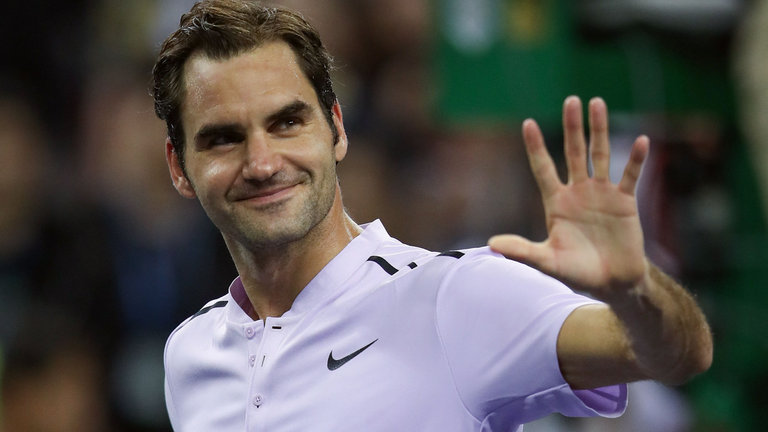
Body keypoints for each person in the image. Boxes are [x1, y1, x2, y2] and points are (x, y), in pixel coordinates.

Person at [150, 1, 713, 430]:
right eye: (223, 139)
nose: (262, 163)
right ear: (179, 167)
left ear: (337, 128)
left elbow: (677, 355)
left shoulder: (453, 297)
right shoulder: (189, 354)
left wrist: (634, 291)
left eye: (287, 123)